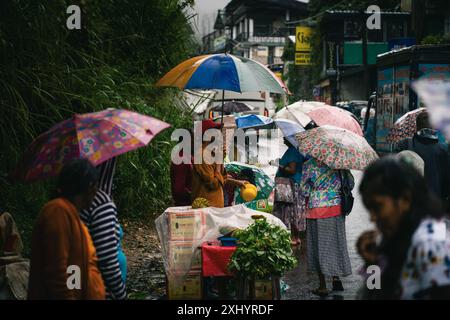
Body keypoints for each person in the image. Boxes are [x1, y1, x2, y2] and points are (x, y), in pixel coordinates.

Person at [358, 157, 450, 299]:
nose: (372, 218)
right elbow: (375, 292)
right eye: (369, 208)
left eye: (377, 207)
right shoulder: (398, 235)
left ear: (405, 200)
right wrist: (372, 263)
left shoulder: (430, 245)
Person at [28, 158, 105, 300]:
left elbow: (72, 269)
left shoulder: (71, 214)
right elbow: (57, 272)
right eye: (96, 186)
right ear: (89, 187)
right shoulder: (58, 211)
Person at [300, 158, 353, 296]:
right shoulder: (340, 163)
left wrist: (314, 185)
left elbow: (304, 191)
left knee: (318, 247)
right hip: (336, 208)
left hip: (316, 209)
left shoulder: (308, 165)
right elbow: (350, 184)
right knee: (335, 244)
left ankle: (323, 285)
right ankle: (336, 278)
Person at [80, 157, 127, 299]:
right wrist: (121, 295)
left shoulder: (60, 204)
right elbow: (107, 260)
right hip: (99, 289)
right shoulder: (99, 202)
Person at [395, 112, 450, 209]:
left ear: (416, 126)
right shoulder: (443, 150)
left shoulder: (404, 144)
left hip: (410, 201)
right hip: (434, 203)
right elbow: (446, 181)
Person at [191, 120, 247, 208]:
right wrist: (219, 160)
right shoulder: (202, 155)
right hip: (206, 209)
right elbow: (214, 184)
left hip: (215, 208)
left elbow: (222, 178)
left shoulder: (212, 153)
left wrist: (237, 182)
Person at [273, 138, 307, 246]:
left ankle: (294, 237)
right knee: (293, 210)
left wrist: (278, 164)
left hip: (291, 185)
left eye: (285, 137)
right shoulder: (295, 151)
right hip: (293, 184)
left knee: (291, 210)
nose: (283, 138)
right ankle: (295, 237)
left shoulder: (292, 151)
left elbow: (292, 170)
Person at [170, 130, 193, 206]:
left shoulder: (188, 156)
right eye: (193, 140)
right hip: (184, 205)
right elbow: (179, 189)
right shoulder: (180, 159)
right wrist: (193, 196)